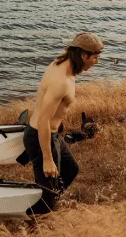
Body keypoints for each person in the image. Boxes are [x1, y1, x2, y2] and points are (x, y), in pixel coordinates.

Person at [24, 32, 103, 214]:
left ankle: (47, 202)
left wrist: (57, 123)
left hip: (51, 134)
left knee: (71, 169)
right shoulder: (61, 81)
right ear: (84, 55)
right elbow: (44, 119)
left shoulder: (60, 64)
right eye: (95, 58)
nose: (96, 62)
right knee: (49, 192)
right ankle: (36, 216)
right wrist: (47, 159)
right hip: (40, 137)